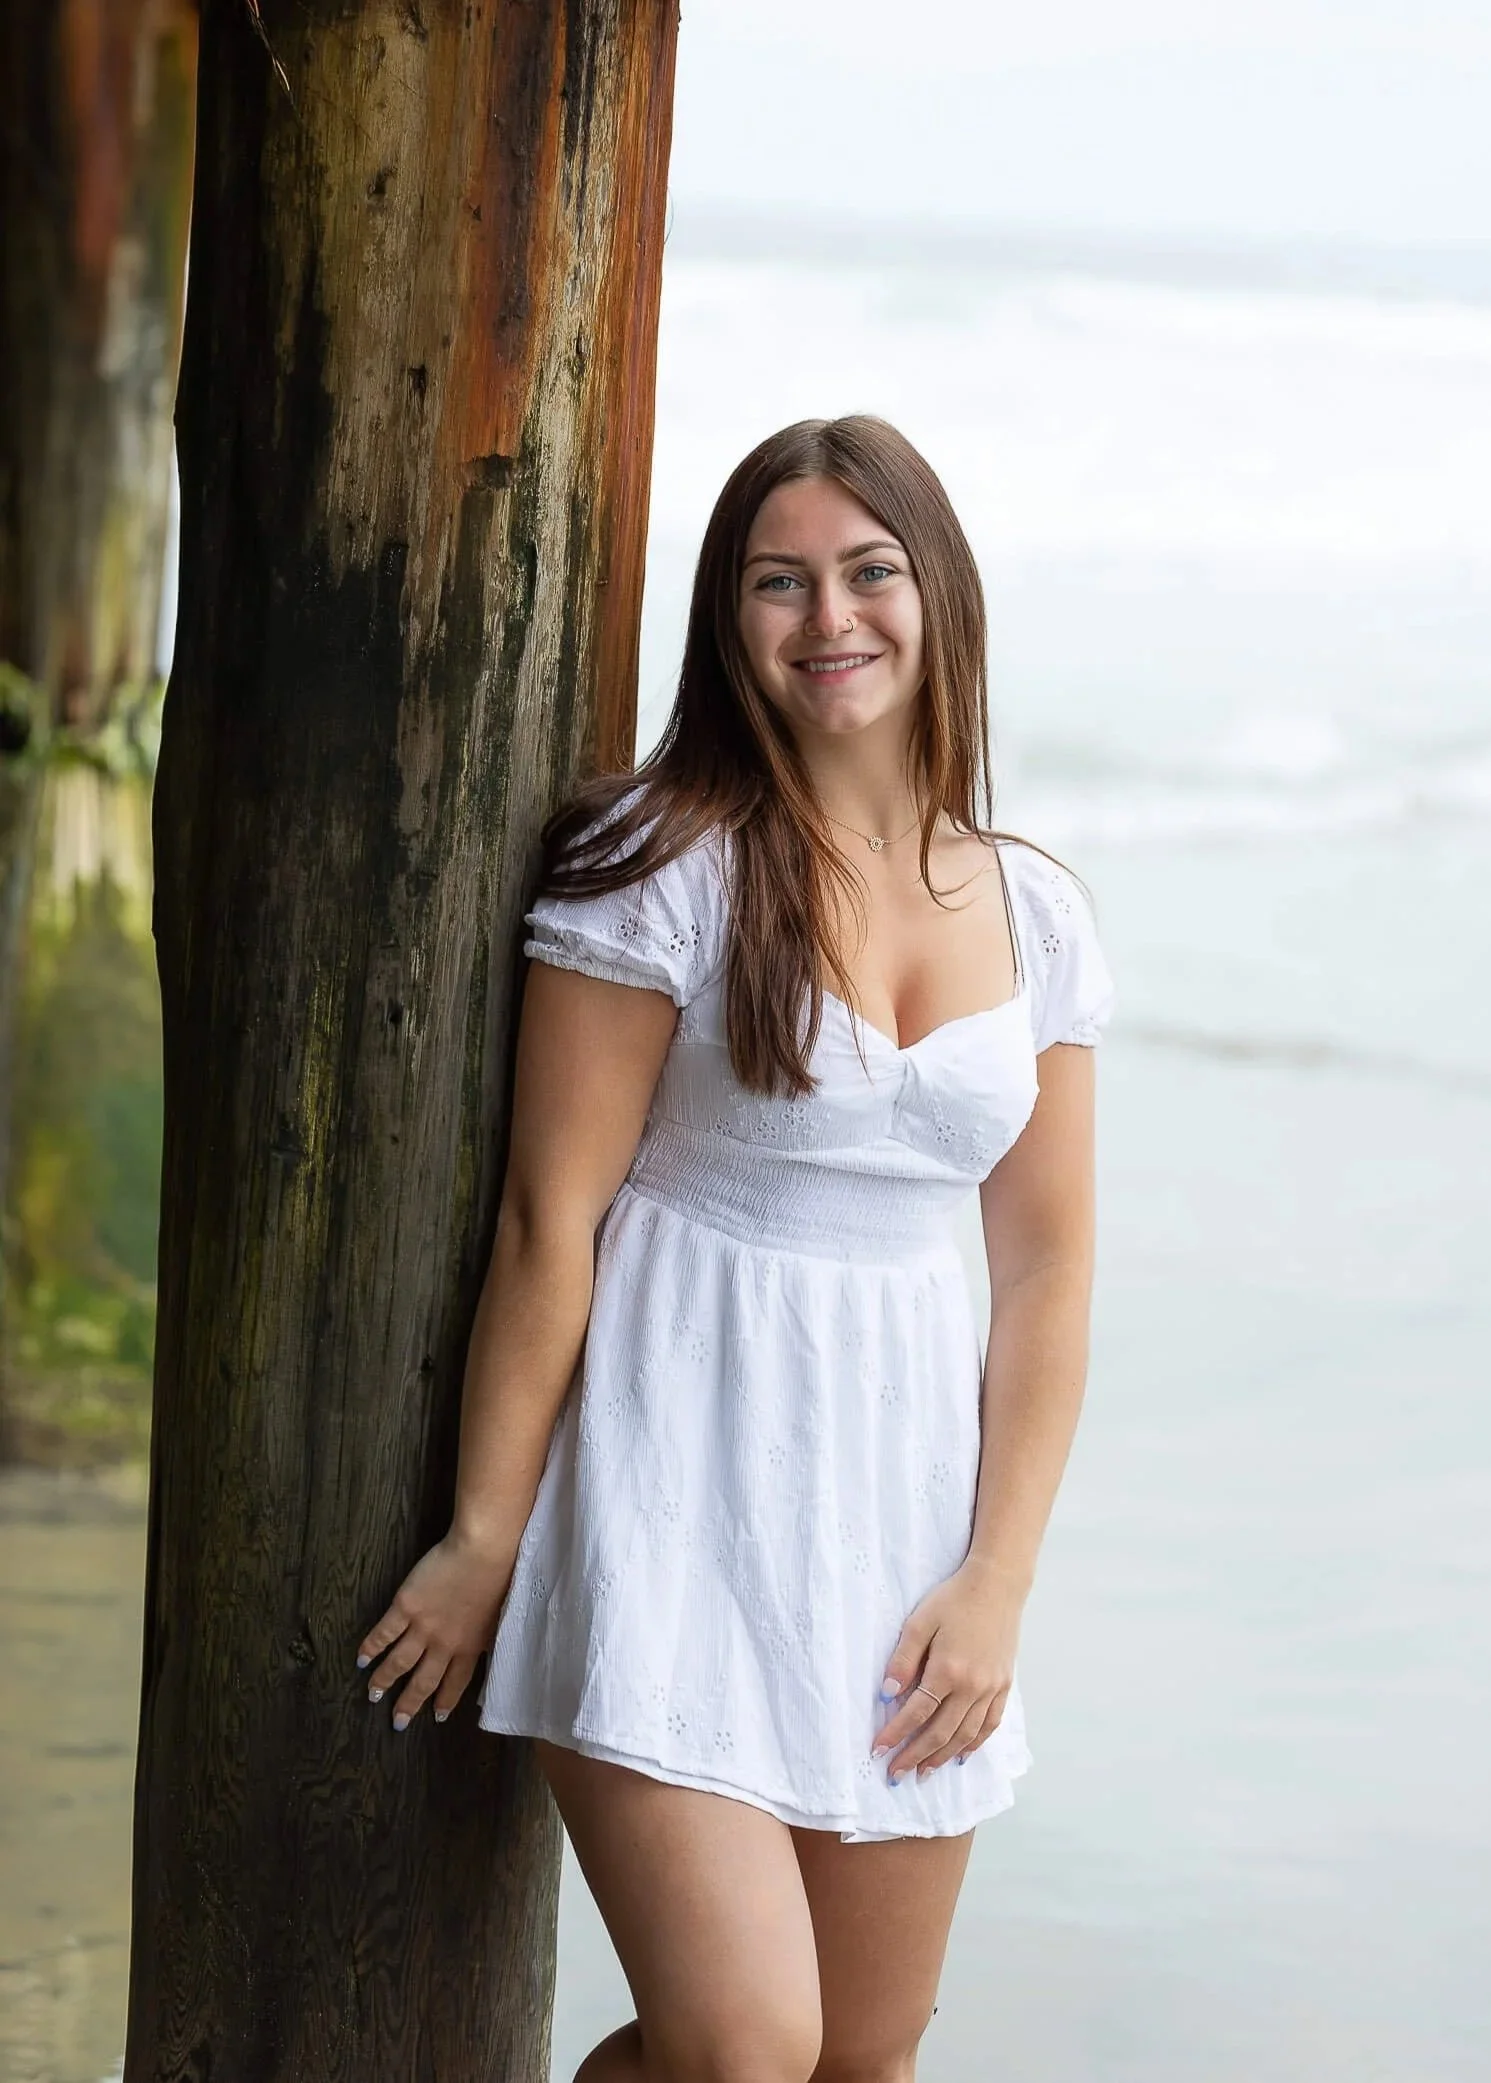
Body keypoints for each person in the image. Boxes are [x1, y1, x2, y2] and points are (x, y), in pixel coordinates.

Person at [357, 415, 1114, 2082]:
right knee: (746, 2050)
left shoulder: (1036, 913)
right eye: (778, 582)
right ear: (729, 622)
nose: (827, 616)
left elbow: (1048, 1272)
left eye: (866, 572)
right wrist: (488, 1537)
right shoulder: (665, 867)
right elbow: (551, 1216)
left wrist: (997, 1580)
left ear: (940, 600)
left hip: (902, 1552)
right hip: (668, 1511)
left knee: (861, 2061)